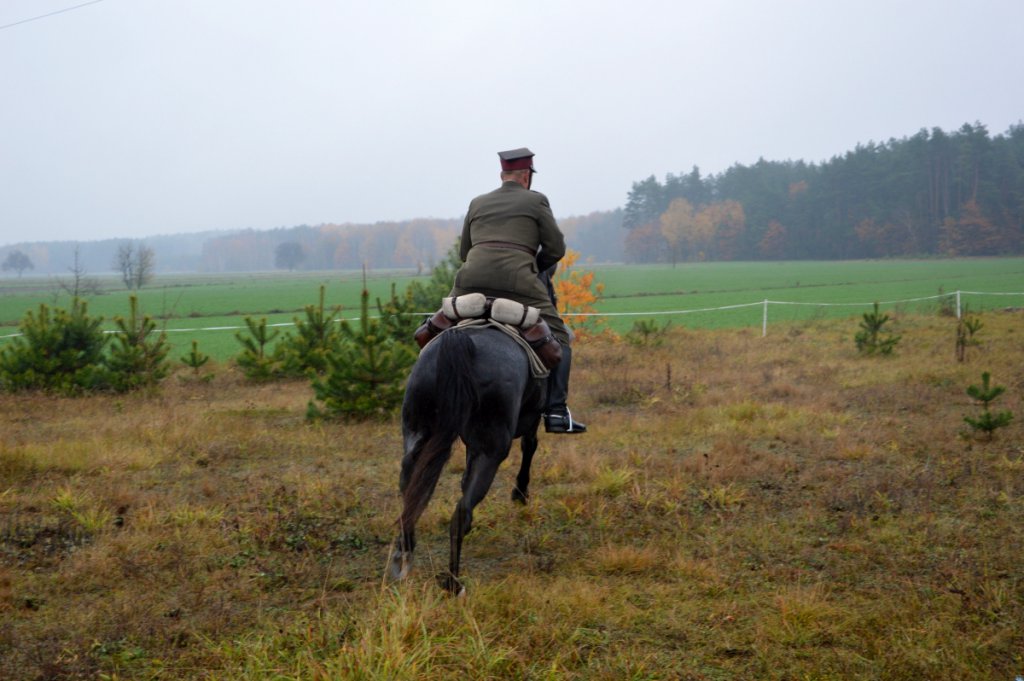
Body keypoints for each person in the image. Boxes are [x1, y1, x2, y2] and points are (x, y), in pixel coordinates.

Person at [448, 147, 588, 434]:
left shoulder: (477, 202)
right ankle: (557, 412)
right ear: (527, 176)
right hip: (518, 283)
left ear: (503, 175)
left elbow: (464, 252)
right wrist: (533, 269)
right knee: (562, 336)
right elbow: (556, 249)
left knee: (439, 325)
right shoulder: (536, 201)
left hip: (468, 281)